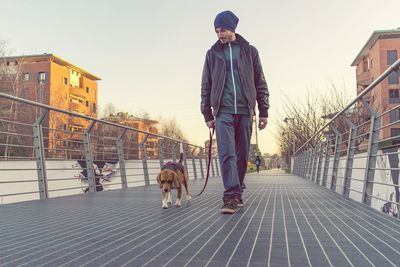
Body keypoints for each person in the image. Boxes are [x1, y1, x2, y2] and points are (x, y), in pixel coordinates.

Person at [201, 10, 270, 214]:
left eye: (222, 29)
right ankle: (230, 195)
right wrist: (207, 114)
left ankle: (237, 189)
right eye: (216, 31)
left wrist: (264, 110)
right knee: (226, 154)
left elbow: (260, 82)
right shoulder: (212, 54)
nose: (219, 34)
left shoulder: (250, 51)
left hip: (245, 111)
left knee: (242, 155)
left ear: (232, 28)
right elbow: (206, 85)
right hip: (223, 112)